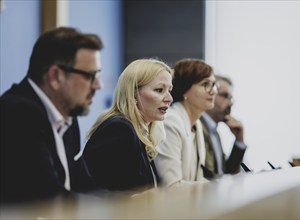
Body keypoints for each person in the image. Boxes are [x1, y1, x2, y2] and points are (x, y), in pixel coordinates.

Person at [0, 27, 103, 203]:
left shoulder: (69, 114)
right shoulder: (17, 113)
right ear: (55, 76)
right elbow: (47, 197)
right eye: (90, 76)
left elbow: (85, 184)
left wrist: (129, 202)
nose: (98, 85)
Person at [83, 58, 173, 192]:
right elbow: (110, 194)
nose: (169, 99)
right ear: (133, 93)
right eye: (159, 90)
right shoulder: (119, 129)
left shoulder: (142, 130)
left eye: (169, 90)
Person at [155, 58, 217, 187]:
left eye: (214, 84)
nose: (214, 91)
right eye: (206, 84)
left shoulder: (197, 124)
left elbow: (197, 180)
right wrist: (218, 185)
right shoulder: (170, 121)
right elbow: (171, 186)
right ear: (185, 89)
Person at [200, 75, 247, 179]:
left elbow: (226, 172)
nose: (230, 103)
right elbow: (210, 177)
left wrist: (239, 140)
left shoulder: (214, 131)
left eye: (231, 98)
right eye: (225, 96)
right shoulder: (197, 126)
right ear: (209, 95)